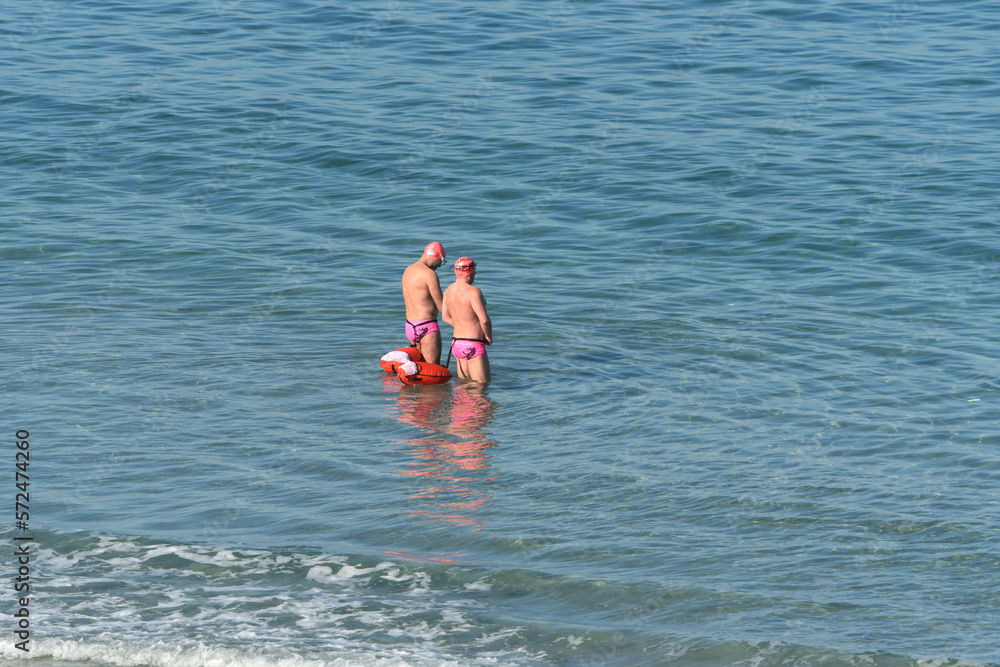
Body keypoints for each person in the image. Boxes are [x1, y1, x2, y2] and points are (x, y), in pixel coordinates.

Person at [442, 257, 492, 383]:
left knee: (463, 387)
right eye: (474, 271)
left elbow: (445, 317)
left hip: (457, 343)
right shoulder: (474, 292)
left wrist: (461, 326)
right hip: (473, 343)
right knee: (481, 389)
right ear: (470, 272)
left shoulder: (448, 290)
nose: (475, 274)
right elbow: (484, 320)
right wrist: (488, 337)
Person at [402, 242, 447, 365]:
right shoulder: (429, 274)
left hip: (410, 326)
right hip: (427, 326)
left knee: (417, 370)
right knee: (433, 371)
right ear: (435, 256)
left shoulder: (408, 270)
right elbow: (442, 306)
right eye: (441, 261)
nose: (439, 265)